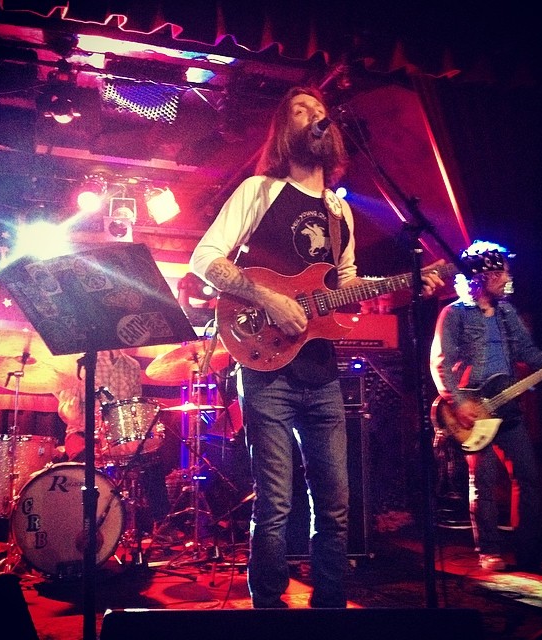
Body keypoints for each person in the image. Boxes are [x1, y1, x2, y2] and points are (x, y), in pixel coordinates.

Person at [190, 86, 445, 608]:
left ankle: (329, 605)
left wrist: (406, 282)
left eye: (320, 110)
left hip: (321, 371)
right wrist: (266, 297)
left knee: (334, 503)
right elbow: (205, 258)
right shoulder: (260, 190)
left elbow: (344, 283)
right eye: (301, 110)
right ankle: (268, 607)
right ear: (285, 129)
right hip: (266, 367)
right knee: (275, 503)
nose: (314, 116)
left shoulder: (338, 210)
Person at [429, 239, 542, 571]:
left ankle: (529, 553)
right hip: (473, 410)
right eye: (502, 272)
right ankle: (489, 552)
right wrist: (458, 403)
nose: (507, 278)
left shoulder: (507, 313)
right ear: (484, 275)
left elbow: (529, 355)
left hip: (507, 406)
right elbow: (441, 364)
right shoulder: (454, 314)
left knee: (528, 477)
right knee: (484, 481)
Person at [55, 349, 180, 548]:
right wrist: (70, 411)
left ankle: (162, 523)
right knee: (82, 466)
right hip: (82, 432)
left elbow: (134, 409)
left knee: (151, 462)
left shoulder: (132, 365)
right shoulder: (81, 361)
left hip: (118, 436)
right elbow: (66, 410)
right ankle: (82, 527)